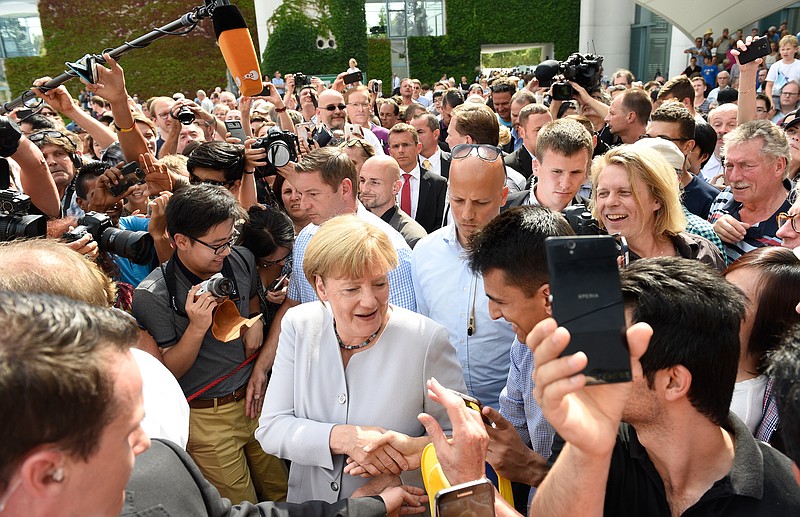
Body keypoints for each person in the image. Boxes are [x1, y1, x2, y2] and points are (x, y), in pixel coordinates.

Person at [0, 293, 429, 517]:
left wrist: (369, 507)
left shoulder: (166, 471)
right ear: (47, 473)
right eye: (128, 431)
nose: (146, 442)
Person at [530, 257, 800, 516]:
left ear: (674, 381)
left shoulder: (785, 499)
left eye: (614, 354)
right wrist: (585, 450)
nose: (590, 364)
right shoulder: (593, 433)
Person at [256, 215, 466, 503]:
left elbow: (461, 440)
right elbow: (271, 429)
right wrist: (343, 438)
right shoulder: (298, 324)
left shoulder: (426, 340)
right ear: (321, 287)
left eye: (379, 284)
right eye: (352, 289)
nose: (369, 300)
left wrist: (401, 476)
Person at [132, 184, 289, 504]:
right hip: (206, 419)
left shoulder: (242, 259)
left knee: (285, 492)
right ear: (181, 241)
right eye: (216, 246)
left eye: (229, 240)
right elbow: (167, 373)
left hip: (255, 403)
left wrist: (256, 320)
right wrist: (197, 327)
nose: (226, 252)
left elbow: (253, 299)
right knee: (242, 504)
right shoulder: (154, 294)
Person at [465, 205, 573, 499]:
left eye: (500, 301)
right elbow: (514, 431)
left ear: (547, 296)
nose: (494, 314)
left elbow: (622, 490)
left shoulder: (611, 366)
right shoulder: (523, 347)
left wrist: (533, 469)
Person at [412, 143, 516, 410]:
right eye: (458, 200)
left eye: (481, 202)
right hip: (443, 411)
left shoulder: (525, 256)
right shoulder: (424, 253)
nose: (467, 214)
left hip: (511, 414)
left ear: (503, 195)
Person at [592, 145, 725, 269]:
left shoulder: (700, 253)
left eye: (624, 193)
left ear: (657, 199)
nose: (610, 202)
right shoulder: (593, 263)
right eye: (603, 193)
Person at [724, 247, 800, 443]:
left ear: (773, 322)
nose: (715, 299)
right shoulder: (705, 352)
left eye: (734, 298)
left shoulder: (738, 405)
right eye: (719, 285)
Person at [709, 120, 792, 263]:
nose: (733, 177)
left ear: (778, 166)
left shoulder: (793, 225)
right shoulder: (723, 199)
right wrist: (711, 234)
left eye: (746, 166)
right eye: (729, 166)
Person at [503, 118, 591, 212]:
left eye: (576, 172)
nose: (565, 184)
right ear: (536, 167)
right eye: (557, 172)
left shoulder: (598, 218)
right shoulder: (500, 210)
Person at [240, 205, 295, 337]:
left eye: (287, 255)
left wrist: (293, 294)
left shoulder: (301, 258)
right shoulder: (241, 267)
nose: (282, 263)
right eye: (271, 262)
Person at [388, 123, 447, 233]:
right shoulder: (384, 183)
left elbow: (440, 224)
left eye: (405, 145)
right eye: (396, 146)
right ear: (390, 152)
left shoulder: (438, 184)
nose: (400, 150)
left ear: (418, 147)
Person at [359, 155, 427, 248]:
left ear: (395, 187)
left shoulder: (411, 238)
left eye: (374, 182)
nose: (364, 189)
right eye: (362, 180)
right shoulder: (353, 225)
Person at [503, 104, 553, 180]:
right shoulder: (509, 167)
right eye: (538, 130)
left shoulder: (562, 160)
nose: (546, 134)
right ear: (522, 132)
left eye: (549, 128)